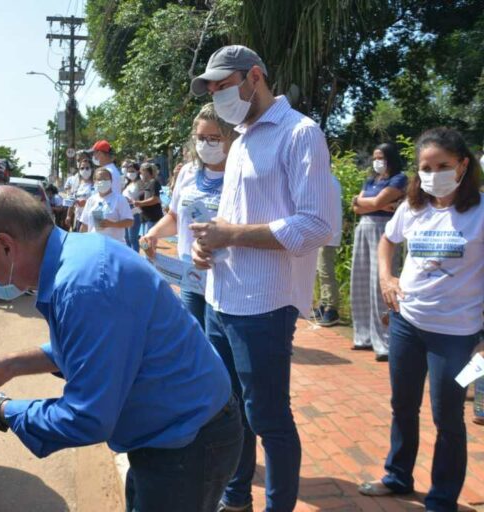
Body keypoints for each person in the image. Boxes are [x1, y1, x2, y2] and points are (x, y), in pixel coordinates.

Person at [0, 185, 243, 512]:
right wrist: (11, 365)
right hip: (173, 433)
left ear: (5, 247)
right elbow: (88, 349)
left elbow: (87, 418)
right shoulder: (75, 257)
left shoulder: (83, 286)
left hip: (188, 442)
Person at [189, 45, 337, 511]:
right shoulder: (242, 138)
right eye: (210, 89)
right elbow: (232, 219)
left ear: (255, 76)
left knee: (269, 418)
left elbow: (318, 225)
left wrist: (231, 234)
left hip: (264, 304)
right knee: (232, 411)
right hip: (221, 297)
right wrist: (208, 242)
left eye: (222, 85)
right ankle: (236, 499)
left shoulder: (300, 134)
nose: (216, 96)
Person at [358, 127, 484, 512]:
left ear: (463, 165)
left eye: (442, 165)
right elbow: (387, 241)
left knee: (448, 417)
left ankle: (442, 499)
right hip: (406, 324)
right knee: (402, 404)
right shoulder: (414, 207)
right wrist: (386, 277)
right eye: (425, 167)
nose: (432, 174)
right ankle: (398, 475)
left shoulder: (481, 212)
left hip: (458, 336)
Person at [139, 103, 235, 329]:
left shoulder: (240, 173)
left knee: (220, 344)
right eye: (200, 137)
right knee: (194, 337)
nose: (205, 144)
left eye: (214, 138)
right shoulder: (188, 172)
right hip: (189, 272)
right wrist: (153, 235)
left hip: (226, 274)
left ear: (231, 137)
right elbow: (175, 217)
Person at [351, 142, 408, 360]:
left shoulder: (399, 179)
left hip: (384, 231)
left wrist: (368, 202)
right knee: (360, 282)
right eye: (374, 157)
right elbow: (356, 208)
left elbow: (375, 201)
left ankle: (383, 342)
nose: (377, 161)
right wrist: (370, 204)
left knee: (379, 285)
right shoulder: (371, 180)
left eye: (380, 157)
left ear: (390, 158)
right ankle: (363, 336)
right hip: (364, 228)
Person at [313, 175, 343, 327]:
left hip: (327, 234)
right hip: (322, 233)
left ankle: (332, 308)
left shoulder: (326, 181)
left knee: (325, 271)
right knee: (320, 270)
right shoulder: (327, 180)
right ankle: (324, 304)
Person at [79, 167, 134, 243]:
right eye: (99, 179)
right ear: (94, 181)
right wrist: (80, 241)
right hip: (95, 243)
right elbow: (84, 224)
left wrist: (112, 224)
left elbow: (129, 222)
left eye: (105, 179)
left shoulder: (120, 199)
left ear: (111, 181)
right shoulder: (91, 200)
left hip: (114, 245)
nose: (102, 182)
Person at [134, 163, 164, 234]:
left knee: (150, 241)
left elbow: (155, 199)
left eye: (142, 171)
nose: (140, 173)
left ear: (147, 172)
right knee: (146, 241)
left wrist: (140, 203)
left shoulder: (154, 182)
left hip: (153, 218)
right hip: (146, 217)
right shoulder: (146, 183)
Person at [122, 160, 144, 252]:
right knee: (126, 237)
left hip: (135, 211)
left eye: (132, 171)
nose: (130, 173)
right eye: (129, 171)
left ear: (138, 171)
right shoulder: (128, 183)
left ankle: (135, 257)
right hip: (125, 211)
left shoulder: (140, 183)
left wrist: (132, 201)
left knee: (133, 238)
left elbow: (142, 198)